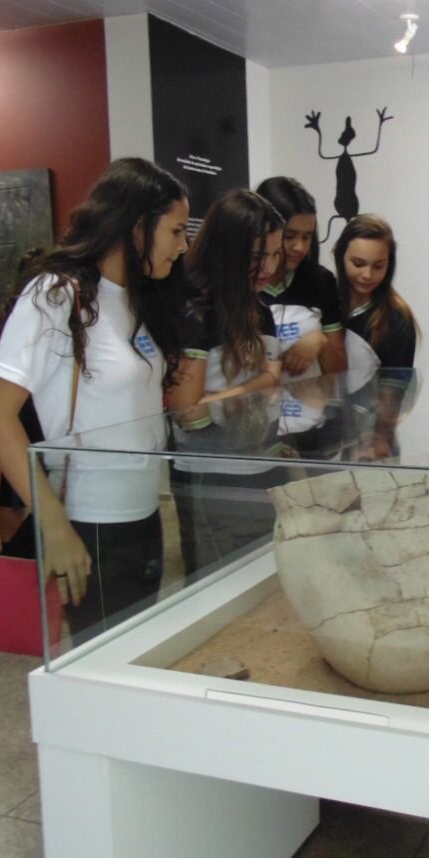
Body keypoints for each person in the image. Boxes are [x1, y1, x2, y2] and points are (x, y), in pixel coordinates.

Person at [0, 157, 189, 640]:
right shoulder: (56, 295)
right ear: (138, 225)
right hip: (88, 523)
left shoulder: (136, 297)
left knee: (133, 659)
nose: (183, 246)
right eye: (176, 231)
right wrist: (53, 523)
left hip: (143, 514)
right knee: (97, 670)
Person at [166, 189, 284, 578]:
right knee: (213, 583)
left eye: (274, 254)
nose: (268, 267)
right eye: (256, 257)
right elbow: (190, 413)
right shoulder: (196, 309)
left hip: (259, 466)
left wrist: (225, 398)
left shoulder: (258, 310)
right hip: (209, 475)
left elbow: (273, 389)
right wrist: (258, 384)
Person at [254, 176, 347, 378]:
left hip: (309, 405)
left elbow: (338, 371)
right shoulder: (240, 286)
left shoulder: (320, 281)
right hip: (256, 407)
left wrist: (319, 340)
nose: (300, 247)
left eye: (307, 237)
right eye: (289, 236)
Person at [333, 214, 419, 373]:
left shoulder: (397, 318)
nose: (367, 275)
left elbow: (395, 390)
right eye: (358, 264)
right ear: (340, 256)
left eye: (378, 266)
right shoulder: (325, 300)